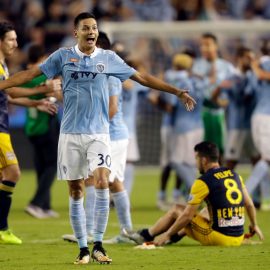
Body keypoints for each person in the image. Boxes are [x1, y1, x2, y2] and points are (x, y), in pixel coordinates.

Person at [0, 13, 195, 264]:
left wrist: (176, 90)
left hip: (99, 133)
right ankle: (83, 249)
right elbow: (28, 74)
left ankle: (99, 245)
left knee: (103, 181)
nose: (91, 31)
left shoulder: (109, 58)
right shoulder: (62, 56)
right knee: (76, 189)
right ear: (76, 33)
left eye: (94, 27)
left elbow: (142, 78)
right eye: (86, 28)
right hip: (70, 133)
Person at [124, 141, 264, 247]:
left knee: (177, 210)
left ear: (204, 160)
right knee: (204, 211)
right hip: (238, 236)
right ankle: (174, 237)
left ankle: (145, 235)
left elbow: (186, 216)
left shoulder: (203, 181)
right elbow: (249, 204)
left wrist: (166, 234)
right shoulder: (234, 175)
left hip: (221, 238)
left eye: (196, 159)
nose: (196, 163)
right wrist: (254, 224)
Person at [0, 21, 59, 245]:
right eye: (11, 39)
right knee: (13, 173)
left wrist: (36, 104)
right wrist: (42, 89)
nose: (16, 43)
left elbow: (11, 96)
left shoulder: (3, 65)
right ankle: (2, 228)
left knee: (4, 177)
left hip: (3, 126)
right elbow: (11, 88)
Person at [22, 44, 61, 219]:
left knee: (41, 166)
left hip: (31, 127)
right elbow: (55, 93)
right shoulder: (40, 77)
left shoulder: (24, 76)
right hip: (45, 126)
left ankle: (45, 205)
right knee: (52, 164)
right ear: (42, 58)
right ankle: (36, 203)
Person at [192, 33, 235, 163]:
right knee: (201, 150)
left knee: (219, 149)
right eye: (202, 45)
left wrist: (226, 101)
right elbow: (194, 89)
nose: (204, 48)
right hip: (201, 113)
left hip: (218, 113)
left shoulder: (226, 66)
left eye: (207, 44)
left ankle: (219, 179)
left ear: (215, 46)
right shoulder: (196, 66)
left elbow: (233, 87)